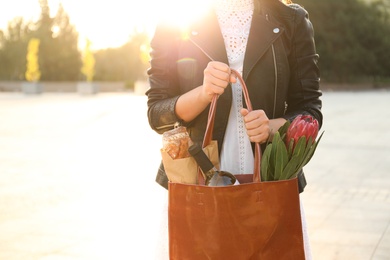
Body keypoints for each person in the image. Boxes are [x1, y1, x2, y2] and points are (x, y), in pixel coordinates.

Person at [146, 0, 322, 258]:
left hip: (269, 180)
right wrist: (203, 93)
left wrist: (271, 127)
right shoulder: (176, 20)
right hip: (198, 181)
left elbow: (310, 110)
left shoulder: (292, 20)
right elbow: (156, 114)